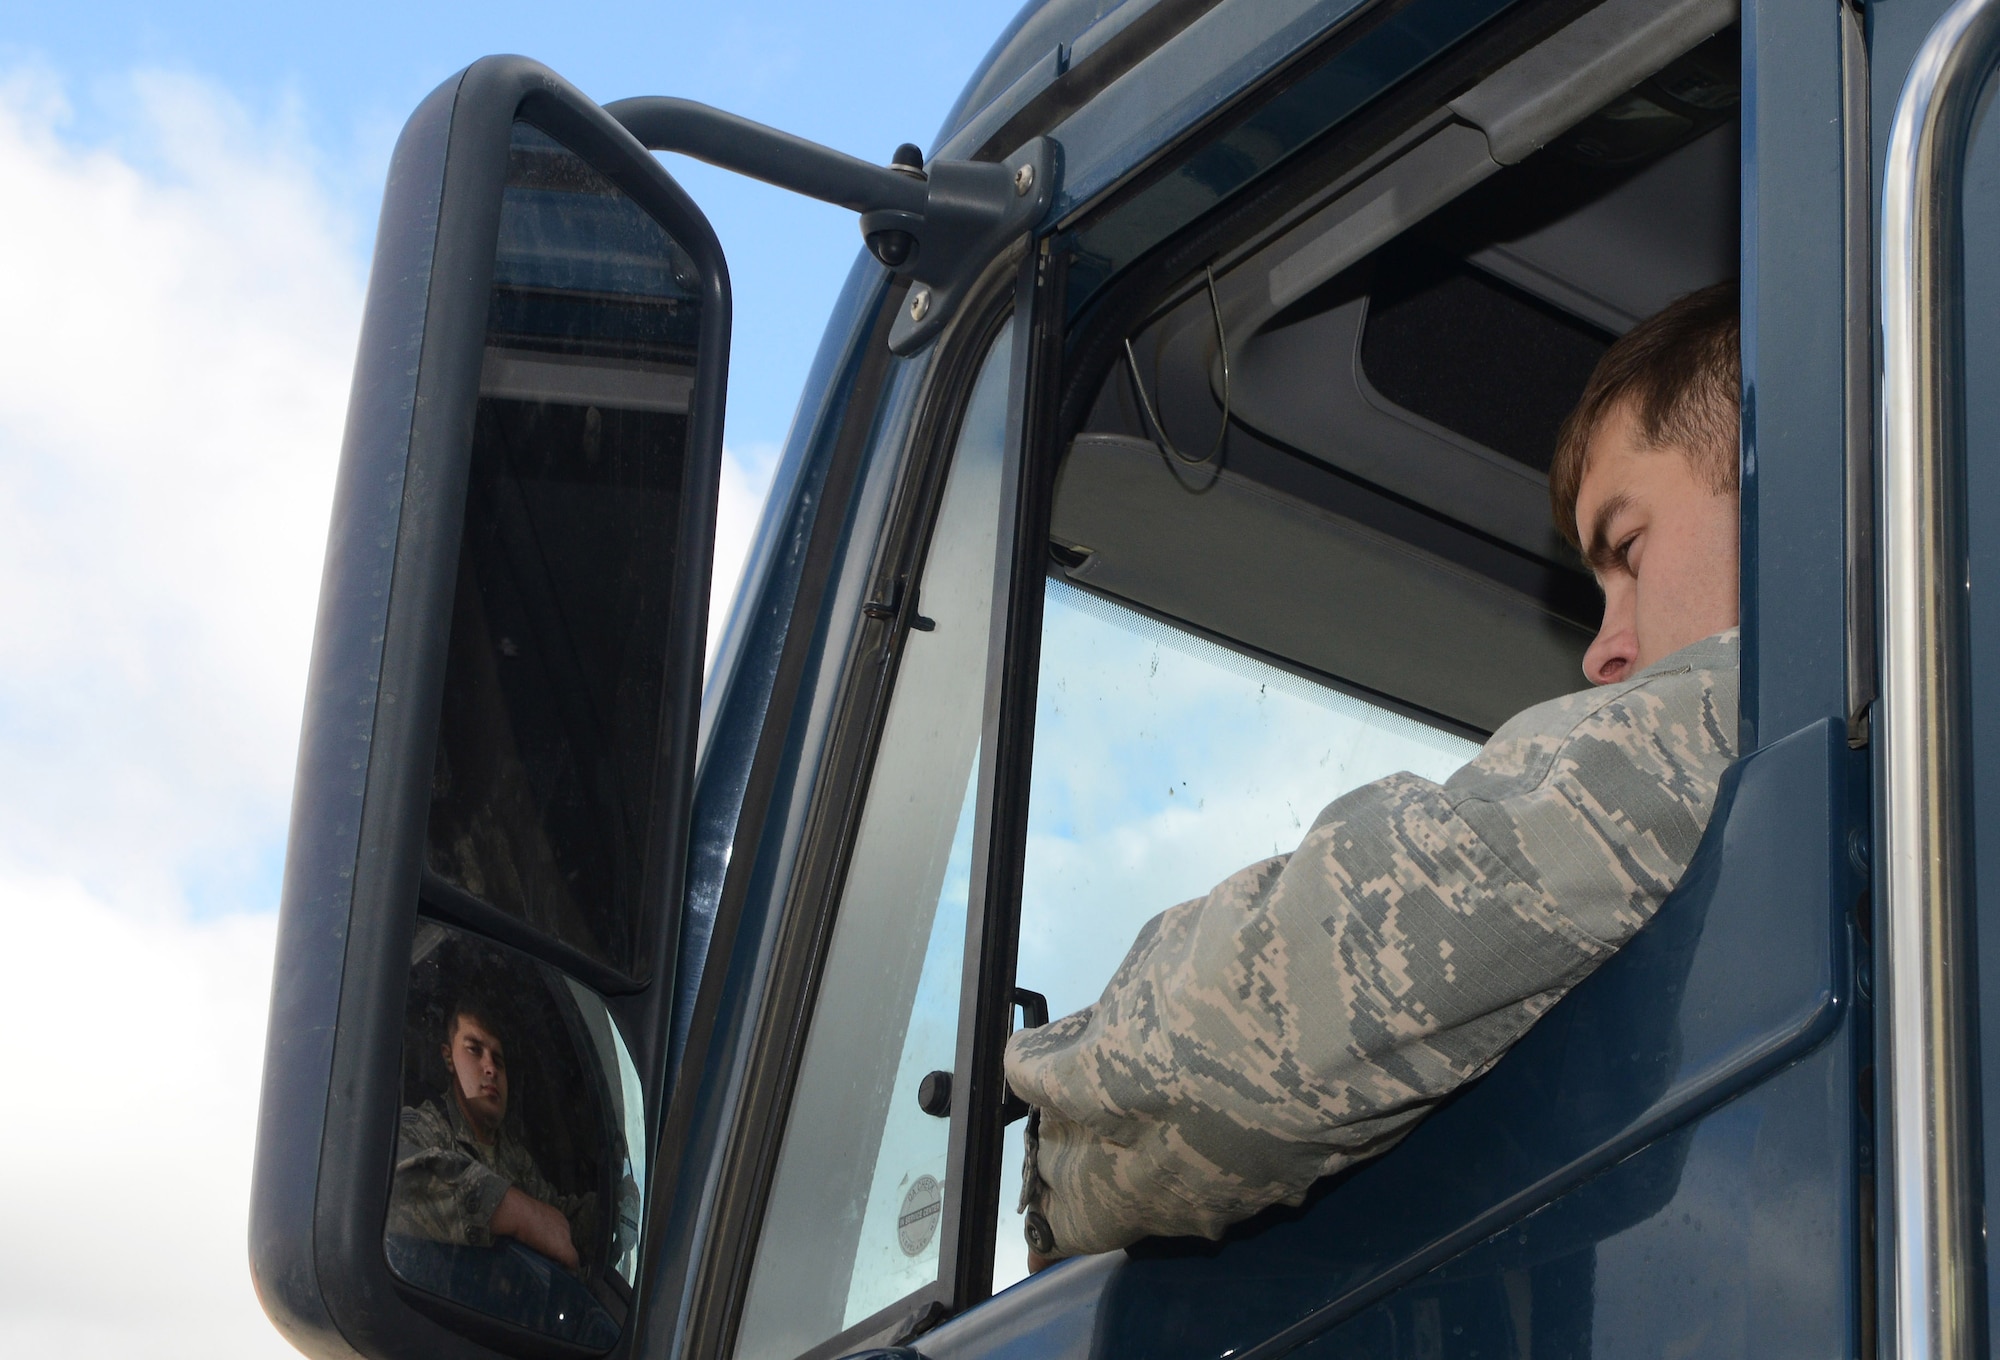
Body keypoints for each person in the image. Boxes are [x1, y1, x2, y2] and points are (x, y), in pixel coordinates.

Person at [1004, 281, 1743, 1265]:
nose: (1600, 653)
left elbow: (1255, 1034)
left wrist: (1050, 1146)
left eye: (1626, 547)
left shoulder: (1732, 705)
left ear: (1771, 467)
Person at [388, 997, 597, 1271]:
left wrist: (611, 1214)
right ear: (448, 1056)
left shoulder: (514, 1156)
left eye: (498, 1061)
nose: (490, 1068)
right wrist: (515, 1212)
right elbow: (387, 1180)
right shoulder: (426, 1127)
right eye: (474, 1050)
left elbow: (558, 1220)